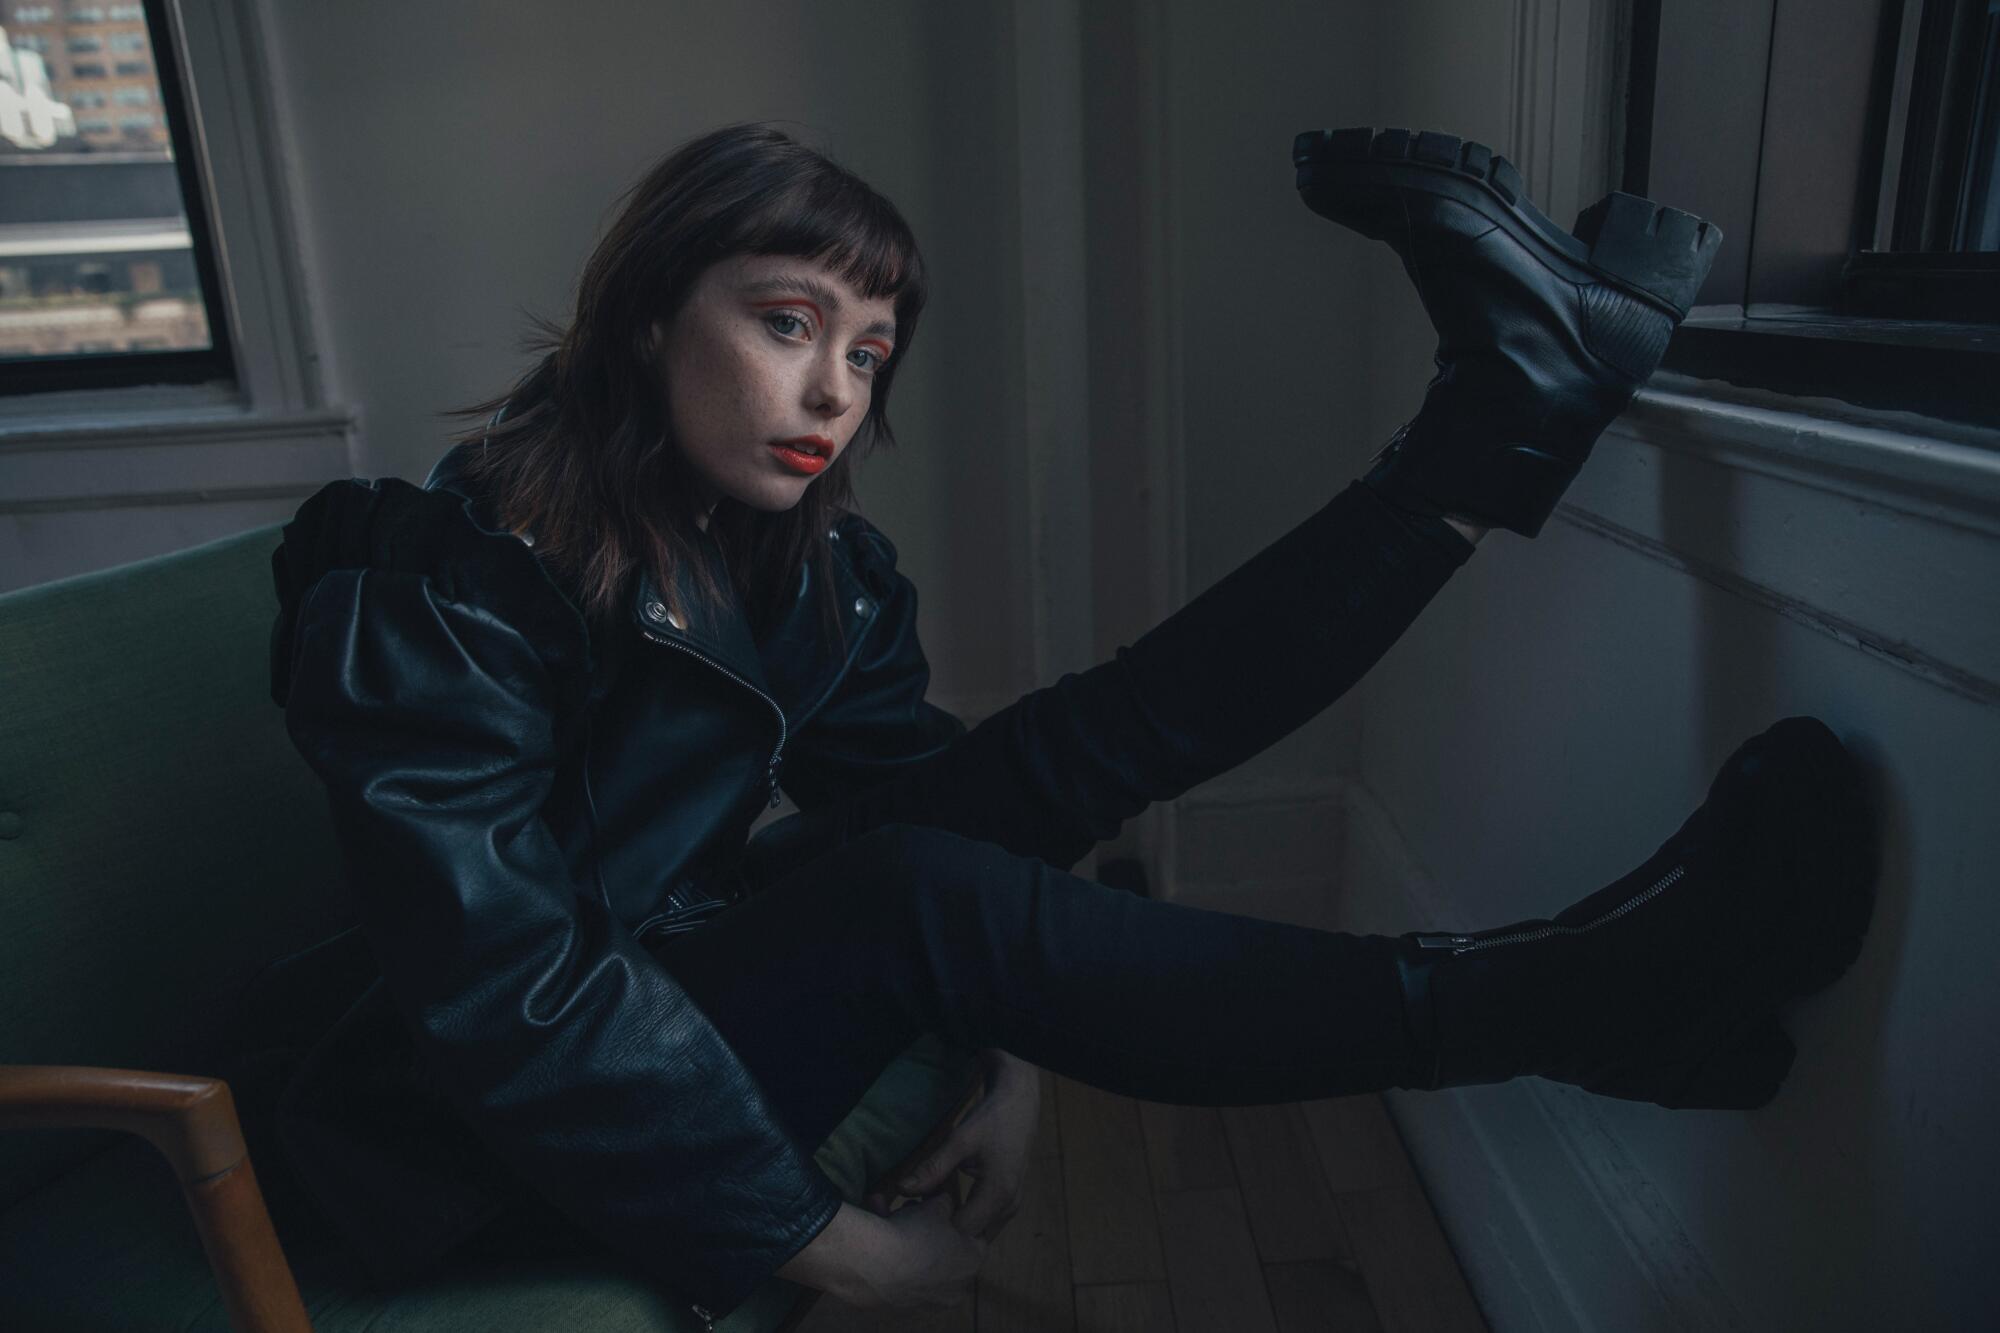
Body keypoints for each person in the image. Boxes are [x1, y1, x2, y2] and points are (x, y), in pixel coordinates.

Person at [263, 121, 1877, 1325]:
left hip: (672, 998)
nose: (837, 390)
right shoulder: (446, 578)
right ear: (641, 321)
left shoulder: (821, 576)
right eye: (784, 322)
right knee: (920, 879)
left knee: (1058, 755)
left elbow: (978, 834)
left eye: (871, 351)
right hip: (468, 1139)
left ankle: (1500, 420)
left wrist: (1003, 1044)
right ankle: (1574, 1002)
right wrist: (822, 1241)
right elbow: (515, 998)